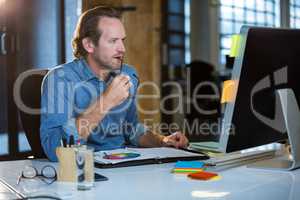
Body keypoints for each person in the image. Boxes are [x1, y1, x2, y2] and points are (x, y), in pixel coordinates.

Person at [40, 6, 188, 161]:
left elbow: (131, 130)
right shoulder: (60, 79)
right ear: (89, 45)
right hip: (81, 171)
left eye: (122, 40)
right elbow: (55, 151)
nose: (122, 49)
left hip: (122, 166)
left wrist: (163, 141)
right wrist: (105, 102)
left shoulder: (128, 75)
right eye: (113, 41)